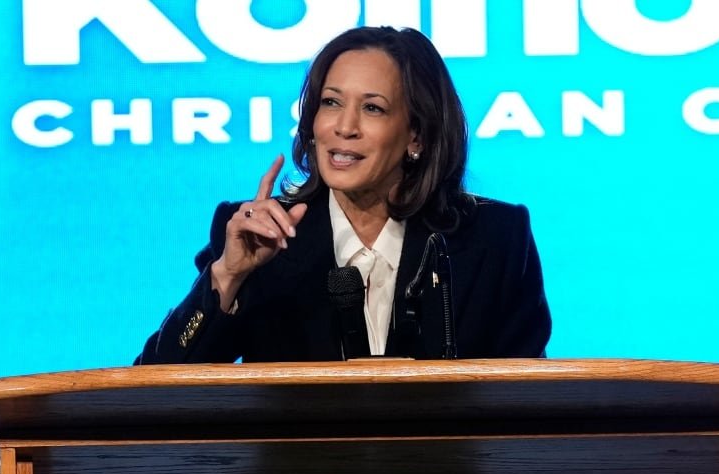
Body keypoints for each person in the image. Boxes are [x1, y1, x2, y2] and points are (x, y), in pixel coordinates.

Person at [135, 26, 550, 364]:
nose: (344, 126)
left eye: (372, 108)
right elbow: (153, 388)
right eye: (331, 103)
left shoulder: (494, 239)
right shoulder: (259, 236)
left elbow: (527, 402)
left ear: (416, 135)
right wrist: (228, 275)